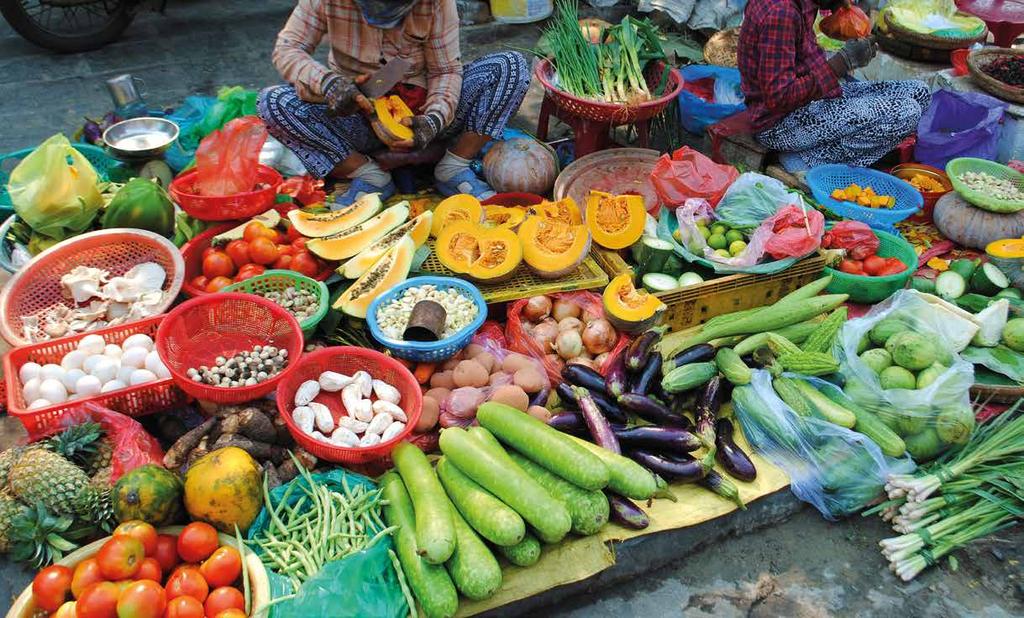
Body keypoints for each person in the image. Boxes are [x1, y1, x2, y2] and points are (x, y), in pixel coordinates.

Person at [258, 0, 531, 206]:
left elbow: (444, 71)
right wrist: (329, 84)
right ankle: (368, 174)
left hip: (423, 117)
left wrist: (434, 119)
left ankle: (453, 167)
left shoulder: (436, 3)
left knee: (510, 67)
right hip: (355, 116)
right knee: (273, 102)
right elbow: (287, 48)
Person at [738, 0, 931, 172]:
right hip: (779, 123)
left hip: (812, 101)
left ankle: (817, 152)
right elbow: (779, 98)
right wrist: (843, 61)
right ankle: (806, 160)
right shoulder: (781, 12)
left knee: (919, 92)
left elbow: (802, 64)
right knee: (907, 112)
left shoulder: (802, 6)